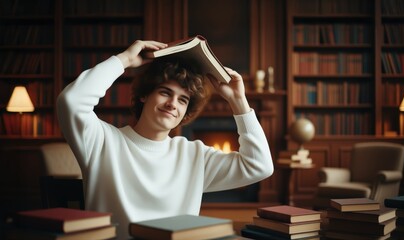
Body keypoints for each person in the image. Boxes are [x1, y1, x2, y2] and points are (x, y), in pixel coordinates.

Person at [57, 40, 274, 239]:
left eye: (183, 100)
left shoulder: (194, 155)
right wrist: (124, 60)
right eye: (164, 92)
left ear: (186, 111)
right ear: (144, 95)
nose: (172, 104)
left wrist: (238, 101)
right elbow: (71, 101)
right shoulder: (102, 141)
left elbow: (259, 166)